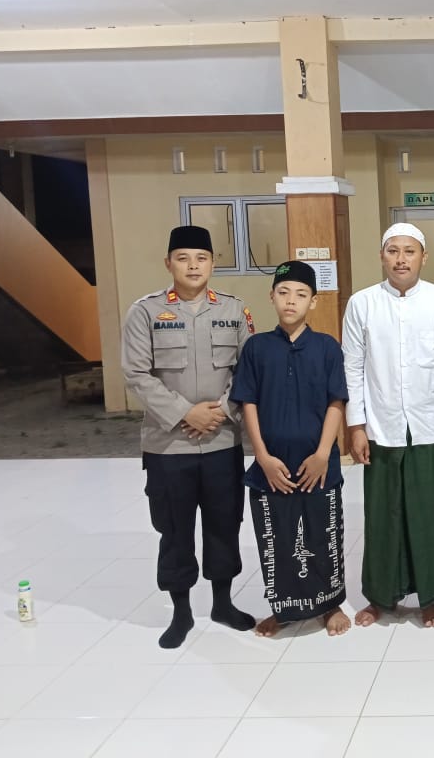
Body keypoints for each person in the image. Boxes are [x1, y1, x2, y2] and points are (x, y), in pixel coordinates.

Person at [121, 225, 257, 649]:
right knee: (175, 529)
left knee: (224, 524)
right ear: (169, 263)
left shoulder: (234, 310)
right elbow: (136, 373)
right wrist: (185, 413)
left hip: (221, 440)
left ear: (213, 263)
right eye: (183, 258)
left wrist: (221, 412)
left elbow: (248, 370)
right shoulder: (145, 312)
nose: (193, 266)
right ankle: (181, 612)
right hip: (168, 445)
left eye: (201, 258)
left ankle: (222, 603)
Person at [342, 223, 434, 628]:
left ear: (423, 257)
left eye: (409, 251)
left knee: (431, 513)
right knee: (384, 515)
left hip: (431, 422)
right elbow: (352, 366)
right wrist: (356, 425)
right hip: (382, 425)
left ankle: (433, 596)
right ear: (382, 256)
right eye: (393, 251)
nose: (400, 259)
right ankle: (381, 597)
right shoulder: (362, 303)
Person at [230, 260, 350, 638]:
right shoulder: (257, 348)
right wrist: (262, 457)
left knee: (322, 535)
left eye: (300, 294)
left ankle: (329, 605)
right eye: (283, 293)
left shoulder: (327, 347)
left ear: (313, 301)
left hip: (319, 463)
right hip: (272, 467)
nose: (291, 301)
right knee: (277, 539)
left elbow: (336, 401)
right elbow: (247, 402)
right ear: (272, 297)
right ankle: (283, 610)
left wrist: (322, 454)